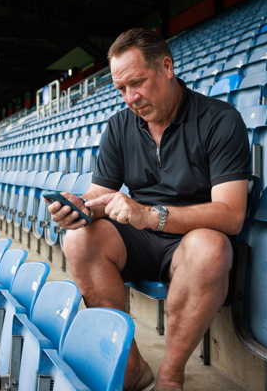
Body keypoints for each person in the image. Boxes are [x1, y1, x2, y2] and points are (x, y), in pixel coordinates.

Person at [47, 28, 251, 391]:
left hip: (191, 242)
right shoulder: (120, 126)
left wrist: (151, 214)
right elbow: (101, 194)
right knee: (79, 240)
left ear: (167, 68)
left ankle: (170, 378)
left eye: (137, 83)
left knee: (209, 247)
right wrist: (79, 207)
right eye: (121, 89)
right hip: (142, 239)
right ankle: (130, 368)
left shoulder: (221, 120)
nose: (130, 97)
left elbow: (231, 213)